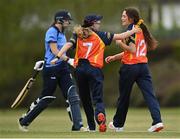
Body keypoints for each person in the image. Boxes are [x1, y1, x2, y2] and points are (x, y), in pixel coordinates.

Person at [51, 14, 140, 132]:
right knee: (98, 99)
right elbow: (121, 36)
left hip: (80, 69)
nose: (99, 24)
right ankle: (100, 116)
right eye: (98, 22)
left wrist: (58, 56)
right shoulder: (102, 35)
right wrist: (134, 30)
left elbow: (68, 44)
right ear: (93, 24)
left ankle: (91, 127)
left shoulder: (78, 33)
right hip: (94, 69)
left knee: (85, 99)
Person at [18, 10, 85, 132]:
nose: (68, 22)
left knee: (72, 96)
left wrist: (65, 61)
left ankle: (78, 126)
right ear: (59, 20)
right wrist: (69, 60)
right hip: (51, 69)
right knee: (46, 98)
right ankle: (24, 121)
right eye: (66, 20)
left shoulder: (62, 33)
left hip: (63, 69)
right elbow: (54, 51)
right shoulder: (51, 32)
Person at [105, 7, 164, 132]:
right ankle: (158, 122)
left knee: (124, 97)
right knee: (150, 95)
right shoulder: (141, 30)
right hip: (143, 67)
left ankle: (118, 125)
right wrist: (115, 57)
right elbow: (135, 51)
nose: (122, 18)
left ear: (131, 18)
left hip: (130, 67)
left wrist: (120, 43)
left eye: (124, 16)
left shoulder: (131, 30)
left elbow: (131, 49)